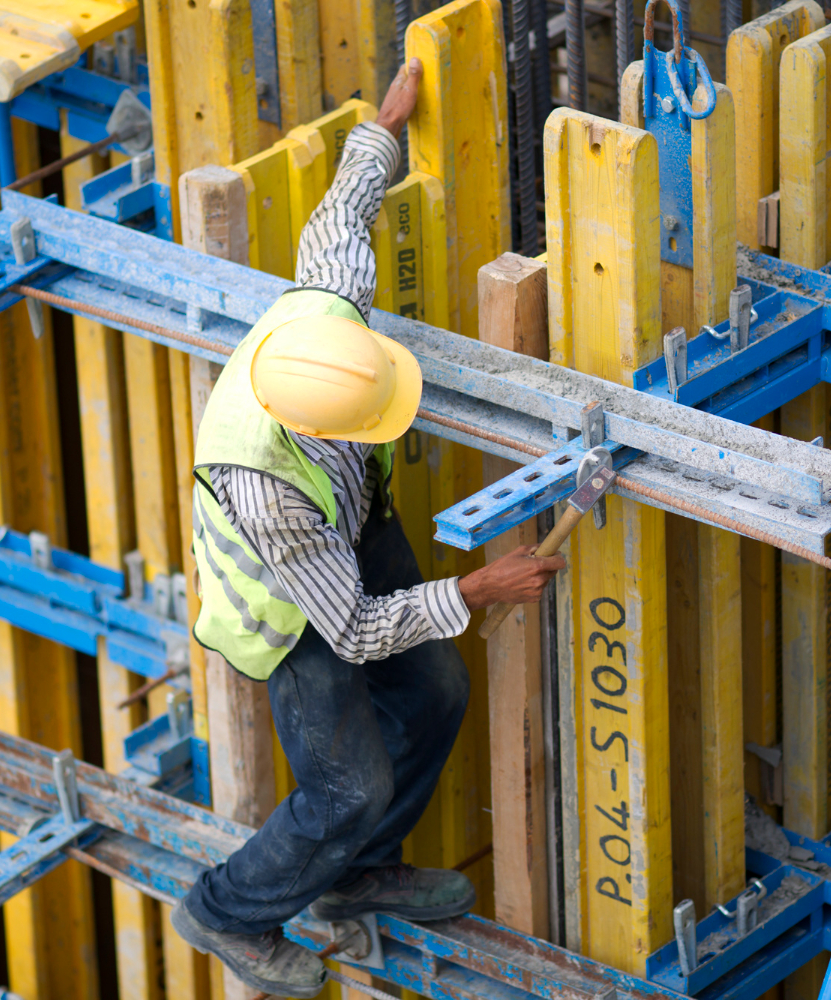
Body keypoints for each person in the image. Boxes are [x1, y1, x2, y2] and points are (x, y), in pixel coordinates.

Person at [170, 58, 566, 998]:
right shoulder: (270, 493)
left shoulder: (327, 311)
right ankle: (228, 912)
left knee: (435, 694)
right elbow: (346, 628)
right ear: (315, 425)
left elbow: (342, 210)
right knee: (348, 787)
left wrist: (385, 125)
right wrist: (476, 589)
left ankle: (352, 877)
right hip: (289, 601)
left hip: (356, 525)